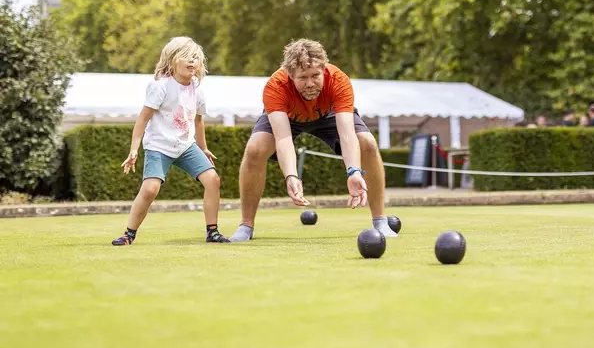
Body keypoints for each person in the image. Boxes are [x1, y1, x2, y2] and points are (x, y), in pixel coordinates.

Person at [229, 38, 398, 241]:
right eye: (302, 77)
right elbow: (283, 138)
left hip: (329, 114)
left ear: (324, 69)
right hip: (288, 117)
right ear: (290, 75)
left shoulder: (338, 80)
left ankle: (380, 220)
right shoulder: (276, 86)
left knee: (367, 143)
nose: (310, 83)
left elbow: (346, 133)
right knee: (255, 149)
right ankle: (246, 226)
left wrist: (353, 170)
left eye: (315, 76)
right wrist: (291, 176)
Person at [112, 37, 230, 245]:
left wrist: (203, 148)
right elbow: (143, 119)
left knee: (213, 180)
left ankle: (212, 232)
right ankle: (128, 234)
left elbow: (199, 120)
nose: (192, 61)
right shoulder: (160, 87)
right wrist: (134, 150)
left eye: (195, 57)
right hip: (158, 147)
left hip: (185, 146)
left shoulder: (198, 91)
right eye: (186, 56)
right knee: (150, 189)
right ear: (172, 60)